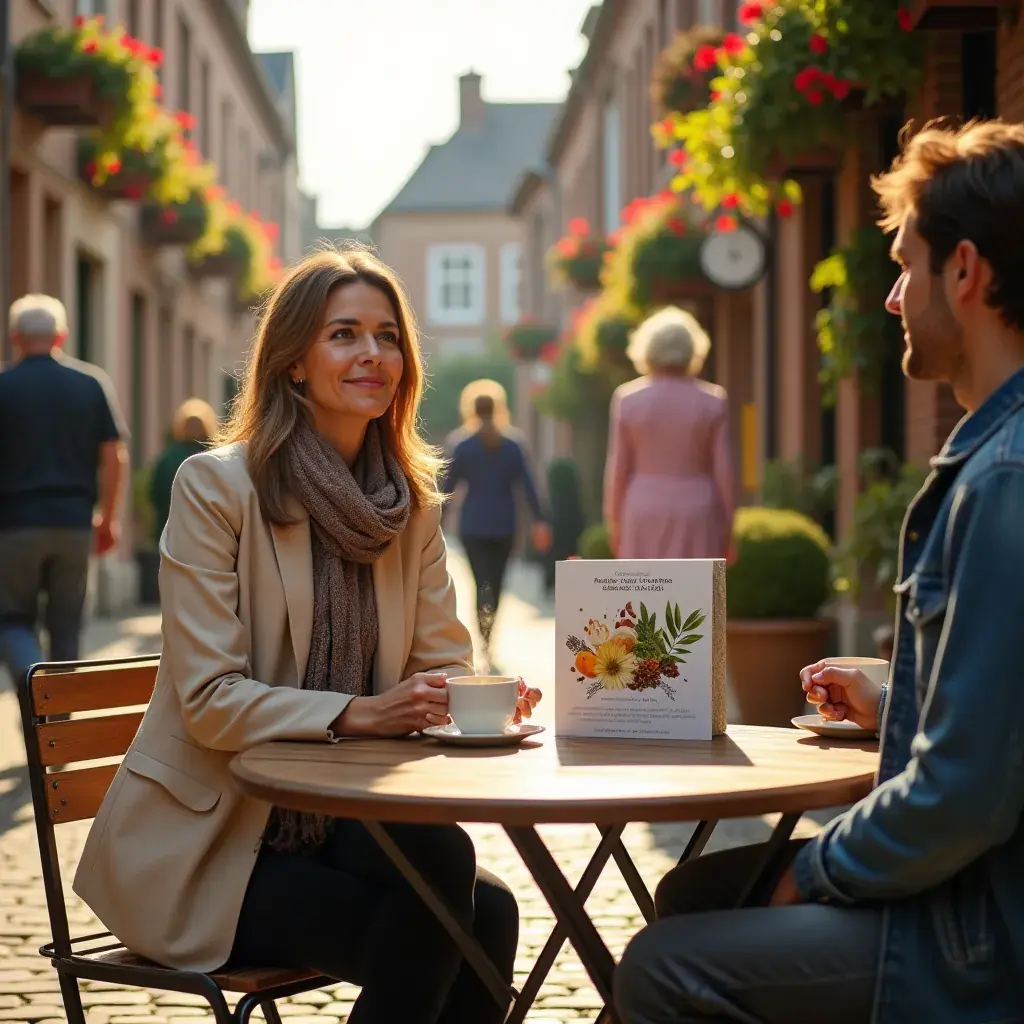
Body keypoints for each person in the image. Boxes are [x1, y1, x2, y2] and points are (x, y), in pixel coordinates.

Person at [614, 118, 1024, 1024]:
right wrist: (893, 692)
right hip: (973, 890)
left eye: (905, 265)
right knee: (691, 896)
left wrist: (816, 870)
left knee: (662, 965)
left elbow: (966, 795)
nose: (891, 298)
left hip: (980, 929)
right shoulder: (992, 457)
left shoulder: (1003, 480)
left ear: (966, 273)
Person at [72, 247, 540, 1024]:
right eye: (344, 334)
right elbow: (210, 701)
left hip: (339, 817)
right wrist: (360, 713)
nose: (373, 354)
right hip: (212, 839)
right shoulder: (217, 488)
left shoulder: (410, 505)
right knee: (438, 918)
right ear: (292, 362)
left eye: (388, 336)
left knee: (476, 899)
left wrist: (470, 699)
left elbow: (441, 659)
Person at [0, 294, 128, 687]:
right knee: (67, 629)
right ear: (61, 336)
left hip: (15, 526)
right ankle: (57, 736)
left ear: (15, 337)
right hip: (74, 525)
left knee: (11, 622)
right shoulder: (89, 384)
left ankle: (28, 677)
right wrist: (108, 518)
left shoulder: (4, 386)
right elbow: (114, 455)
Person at [603, 306, 734, 559]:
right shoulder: (713, 401)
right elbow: (723, 470)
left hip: (642, 508)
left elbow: (618, 468)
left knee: (643, 592)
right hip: (697, 509)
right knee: (697, 593)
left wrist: (614, 521)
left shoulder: (627, 400)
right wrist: (728, 526)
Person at [441, 379, 550, 667]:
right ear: (500, 407)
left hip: (473, 526)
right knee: (497, 584)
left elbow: (446, 489)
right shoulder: (513, 444)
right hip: (504, 526)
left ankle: (483, 637)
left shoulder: (462, 445)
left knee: (481, 584)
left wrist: (434, 525)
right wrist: (540, 521)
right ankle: (489, 639)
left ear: (471, 408)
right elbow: (529, 487)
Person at [149, 398, 220, 543]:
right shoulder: (216, 458)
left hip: (172, 533)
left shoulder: (167, 458)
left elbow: (155, 495)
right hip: (207, 535)